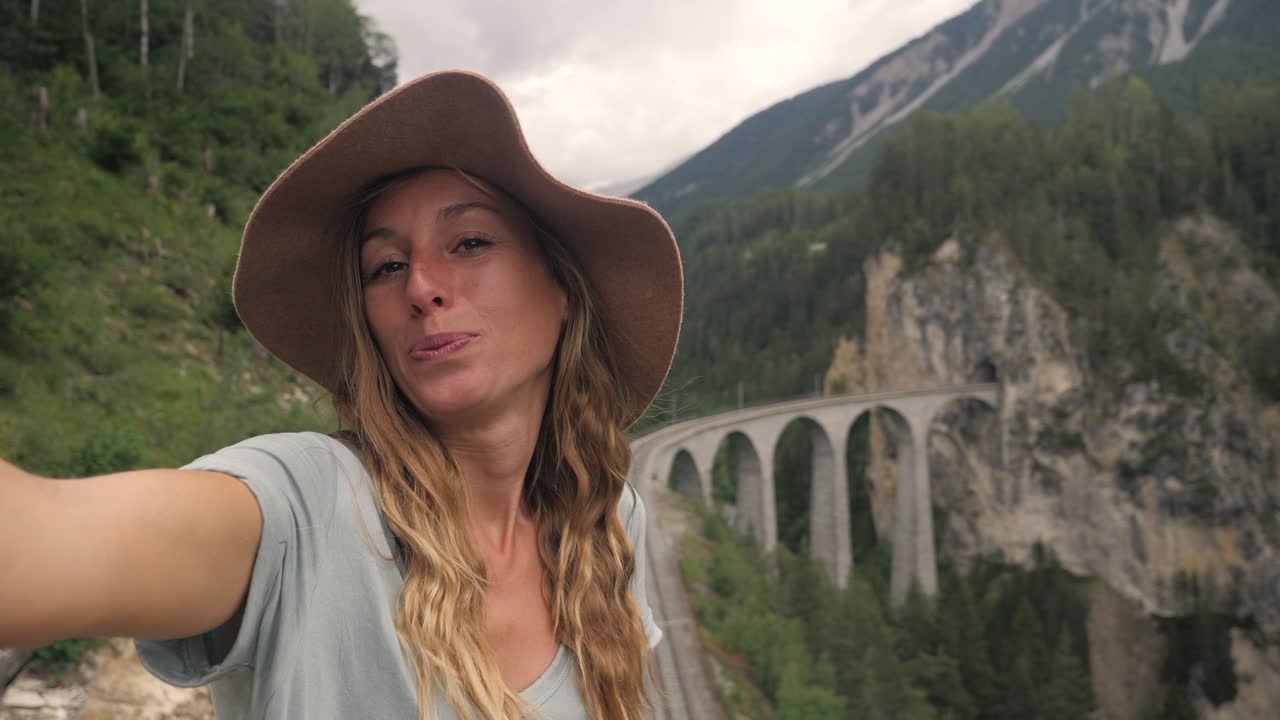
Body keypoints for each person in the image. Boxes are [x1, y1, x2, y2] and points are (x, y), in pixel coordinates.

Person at [0, 69, 684, 720]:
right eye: (385, 266)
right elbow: (40, 542)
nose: (420, 286)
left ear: (563, 290)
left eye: (469, 242)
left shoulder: (606, 520)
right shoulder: (307, 509)